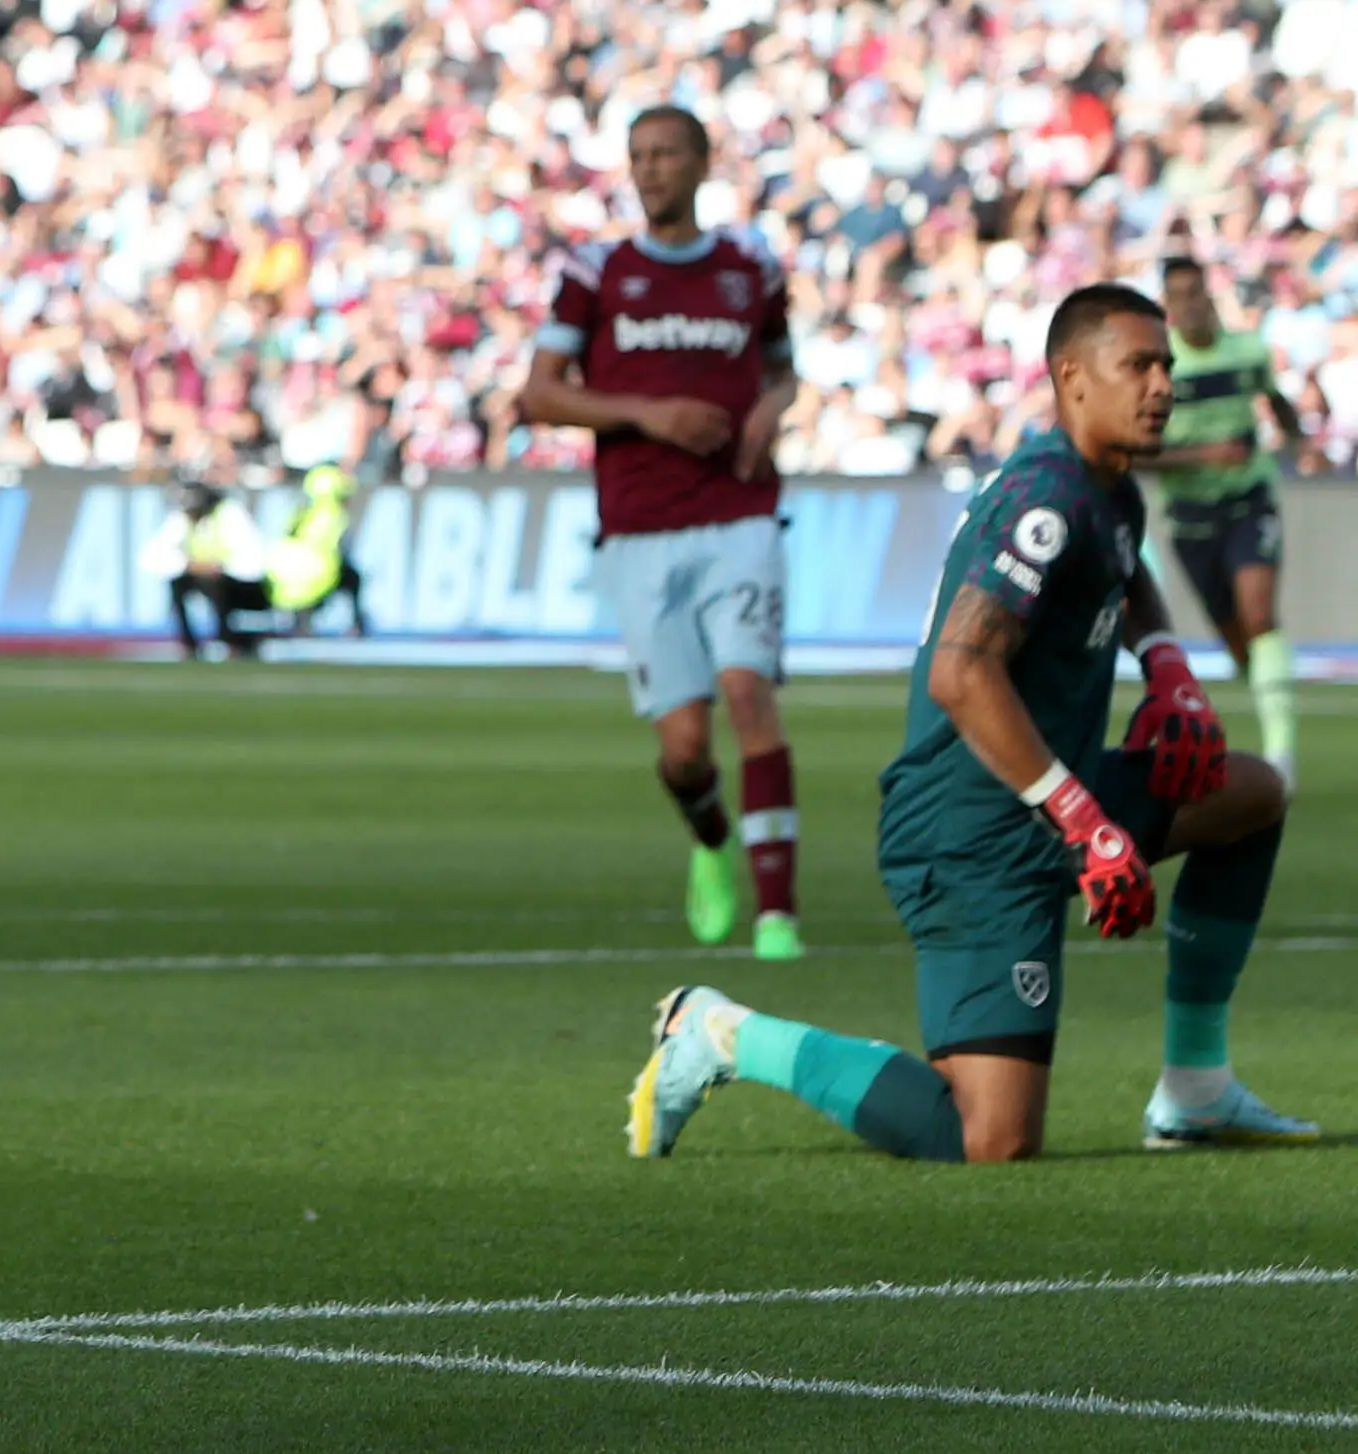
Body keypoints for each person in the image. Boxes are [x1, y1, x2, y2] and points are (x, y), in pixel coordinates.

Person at [631, 284, 1312, 1163]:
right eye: (1137, 365)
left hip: (1052, 793)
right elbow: (961, 670)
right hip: (970, 833)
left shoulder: (1107, 486)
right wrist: (1082, 821)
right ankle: (720, 1032)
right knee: (989, 1137)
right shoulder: (1044, 495)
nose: (1160, 387)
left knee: (1252, 793)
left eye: (1166, 367)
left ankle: (1195, 1089)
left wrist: (1168, 665)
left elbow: (1123, 568)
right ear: (1070, 376)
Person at [515, 106, 807, 959]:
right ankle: (712, 838)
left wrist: (767, 413)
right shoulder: (595, 270)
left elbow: (786, 374)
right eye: (637, 156)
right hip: (640, 525)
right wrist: (649, 414)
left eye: (665, 154)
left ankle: (778, 915)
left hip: (740, 513)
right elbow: (540, 393)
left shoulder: (749, 263)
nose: (648, 170)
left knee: (750, 692)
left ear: (702, 162)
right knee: (684, 749)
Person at [1151, 255, 1307, 785]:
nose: (1191, 304)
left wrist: (1299, 438)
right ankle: (1267, 694)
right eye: (1180, 296)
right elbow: (1137, 452)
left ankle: (1281, 756)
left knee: (1260, 614)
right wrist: (1201, 455)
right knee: (1238, 639)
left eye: (1198, 292)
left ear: (1209, 295)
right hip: (1190, 520)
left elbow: (1275, 399)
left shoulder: (1246, 350)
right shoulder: (1159, 367)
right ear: (1168, 306)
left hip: (1249, 500)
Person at [162, 479, 272, 659]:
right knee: (178, 583)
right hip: (207, 578)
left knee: (214, 584)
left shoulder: (230, 513)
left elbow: (252, 561)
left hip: (240, 586)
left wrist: (218, 567)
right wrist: (191, 565)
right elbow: (156, 556)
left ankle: (227, 641)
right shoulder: (183, 518)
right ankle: (189, 646)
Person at [266, 464, 367, 636]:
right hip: (318, 577)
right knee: (352, 577)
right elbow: (337, 552)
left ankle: (299, 622)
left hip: (287, 578)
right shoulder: (335, 516)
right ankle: (356, 624)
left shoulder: (301, 512)